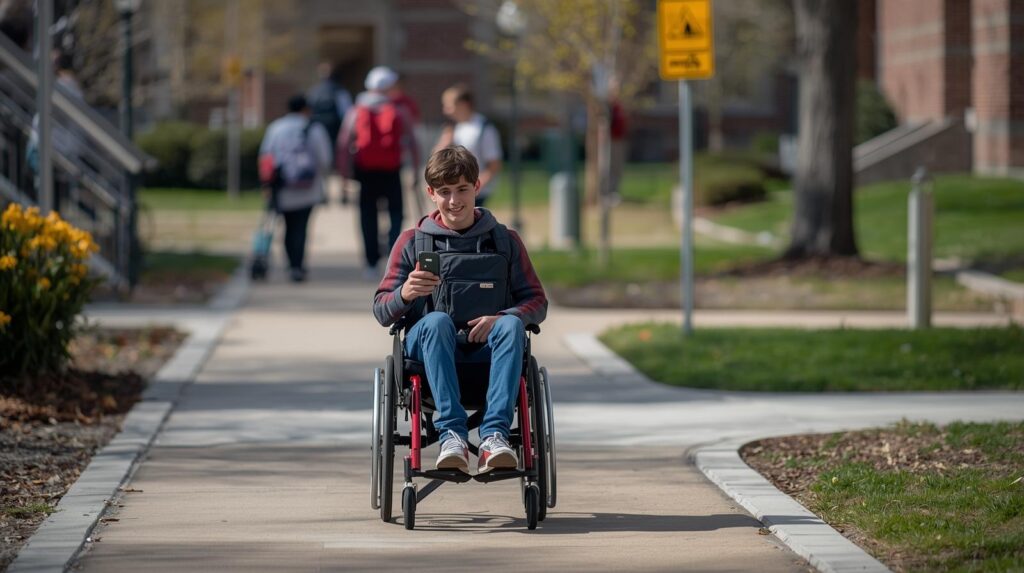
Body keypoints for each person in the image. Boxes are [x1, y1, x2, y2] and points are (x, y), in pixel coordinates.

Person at [372, 145, 547, 474]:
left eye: (462, 190)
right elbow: (382, 310)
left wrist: (506, 317)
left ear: (477, 187)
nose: (454, 201)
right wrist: (406, 293)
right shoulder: (413, 242)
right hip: (428, 353)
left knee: (510, 326)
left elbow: (537, 301)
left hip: (489, 355)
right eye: (445, 192)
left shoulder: (505, 241)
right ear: (431, 194)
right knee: (437, 321)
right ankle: (451, 433)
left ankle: (493, 436)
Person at [338, 66, 420, 280]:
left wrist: (344, 173)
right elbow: (412, 141)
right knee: (395, 213)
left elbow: (344, 142)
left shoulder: (356, 110)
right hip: (392, 169)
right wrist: (416, 170)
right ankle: (394, 259)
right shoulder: (398, 110)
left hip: (365, 171)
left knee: (367, 215)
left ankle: (370, 262)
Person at [259, 94, 333, 282]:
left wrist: (266, 184)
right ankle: (297, 267)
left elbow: (266, 156)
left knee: (287, 227)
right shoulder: (314, 129)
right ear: (306, 109)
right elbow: (325, 159)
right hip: (308, 189)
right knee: (301, 228)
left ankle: (290, 264)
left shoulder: (276, 128)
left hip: (283, 187)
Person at [434, 84, 502, 207]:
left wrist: (475, 188)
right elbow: (436, 160)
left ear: (463, 104)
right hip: (455, 190)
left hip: (476, 193)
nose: (445, 111)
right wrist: (444, 143)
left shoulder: (484, 128)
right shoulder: (456, 128)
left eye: (449, 106)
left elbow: (494, 164)